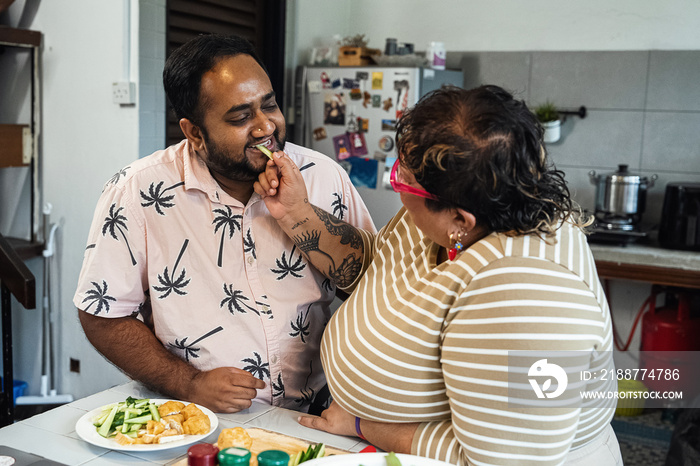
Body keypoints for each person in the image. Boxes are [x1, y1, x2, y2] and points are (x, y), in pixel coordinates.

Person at [254, 85, 622, 464]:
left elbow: (505, 461)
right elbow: (379, 274)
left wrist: (362, 425)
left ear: (460, 219)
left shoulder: (532, 294)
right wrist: (297, 214)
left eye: (402, 180)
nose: (399, 189)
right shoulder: (453, 205)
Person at [73, 34, 375, 414]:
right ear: (195, 133)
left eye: (270, 105)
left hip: (317, 414)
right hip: (197, 418)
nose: (266, 127)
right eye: (241, 117)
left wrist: (301, 216)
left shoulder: (322, 176)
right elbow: (102, 312)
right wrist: (187, 381)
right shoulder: (136, 192)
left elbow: (373, 287)